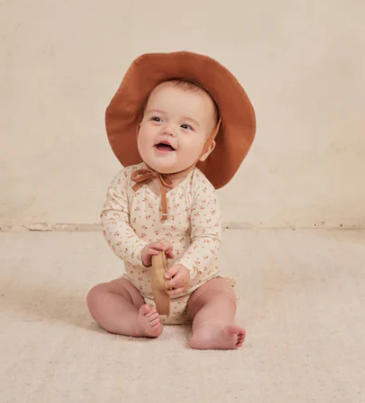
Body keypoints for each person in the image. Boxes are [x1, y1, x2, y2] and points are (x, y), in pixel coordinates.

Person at [87, 51, 256, 349]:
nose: (168, 130)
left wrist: (188, 268)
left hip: (194, 287)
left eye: (185, 126)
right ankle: (134, 321)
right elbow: (113, 223)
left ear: (206, 148)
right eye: (157, 119)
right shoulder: (125, 181)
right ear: (138, 128)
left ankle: (209, 328)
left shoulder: (200, 189)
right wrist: (140, 251)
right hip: (139, 288)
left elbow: (208, 238)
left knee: (221, 294)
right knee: (99, 296)